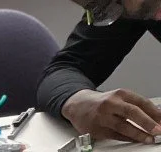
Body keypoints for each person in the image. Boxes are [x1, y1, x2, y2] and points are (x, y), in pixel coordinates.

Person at [38, 0, 161, 143]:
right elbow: (64, 69)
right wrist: (78, 100)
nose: (129, 9)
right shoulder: (129, 8)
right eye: (103, 6)